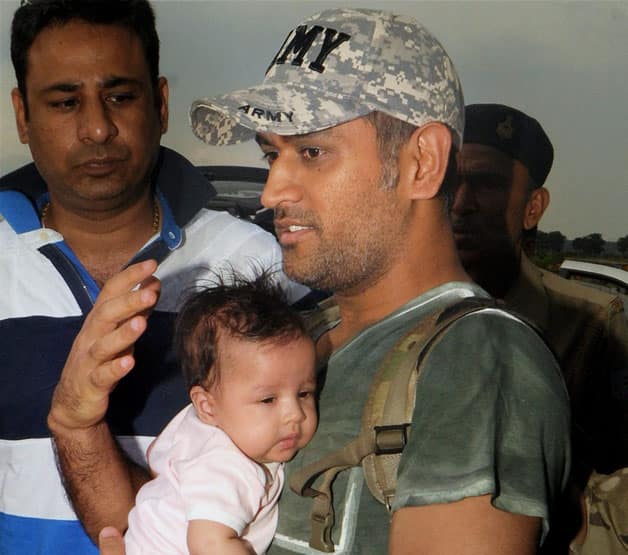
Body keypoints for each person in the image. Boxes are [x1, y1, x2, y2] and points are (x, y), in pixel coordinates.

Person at [51, 8, 571, 554]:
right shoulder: (295, 336)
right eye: (272, 155)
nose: (273, 191)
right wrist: (76, 424)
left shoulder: (477, 361)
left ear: (423, 161)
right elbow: (172, 522)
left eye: (312, 152)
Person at [0, 1, 307, 553]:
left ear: (160, 103)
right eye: (65, 101)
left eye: (120, 97)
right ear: (23, 114)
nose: (96, 128)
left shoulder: (266, 270)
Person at [452, 102, 628, 553]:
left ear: (532, 208)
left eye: (487, 184)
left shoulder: (596, 325)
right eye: (450, 180)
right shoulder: (383, 314)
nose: (460, 203)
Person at [125, 273, 317, 554]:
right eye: (267, 400)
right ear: (207, 405)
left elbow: (158, 457)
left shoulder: (193, 423)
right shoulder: (227, 466)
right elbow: (210, 544)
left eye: (304, 393)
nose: (295, 415)